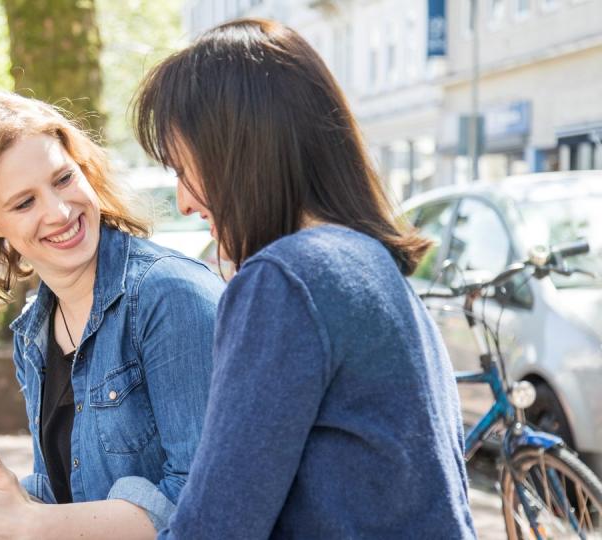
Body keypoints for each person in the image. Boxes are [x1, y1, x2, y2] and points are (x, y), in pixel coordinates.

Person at [133, 19, 476, 538]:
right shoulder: (364, 260)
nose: (183, 200)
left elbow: (219, 524)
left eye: (184, 170)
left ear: (238, 152)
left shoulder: (286, 280)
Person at [0, 91, 225, 538]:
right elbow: (72, 496)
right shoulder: (35, 330)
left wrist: (33, 523)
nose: (59, 211)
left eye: (64, 179)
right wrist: (7, 499)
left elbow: (205, 506)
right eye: (24, 203)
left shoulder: (168, 296)